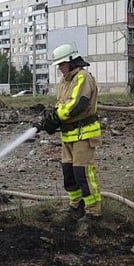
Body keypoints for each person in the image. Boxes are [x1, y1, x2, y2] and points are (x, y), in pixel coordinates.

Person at [35, 43, 102, 221]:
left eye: (62, 64)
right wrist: (51, 120)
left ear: (72, 61)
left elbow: (76, 105)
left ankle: (93, 212)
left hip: (84, 134)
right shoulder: (65, 81)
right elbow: (61, 105)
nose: (60, 68)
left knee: (83, 173)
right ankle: (76, 206)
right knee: (69, 173)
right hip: (69, 135)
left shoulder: (82, 77)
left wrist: (56, 116)